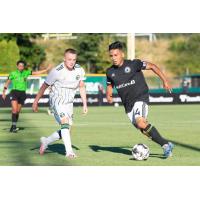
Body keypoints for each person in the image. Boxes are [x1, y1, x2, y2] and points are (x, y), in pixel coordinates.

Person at [106, 41, 174, 158]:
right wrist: (109, 95)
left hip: (140, 98)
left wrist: (165, 80)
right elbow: (110, 84)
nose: (114, 58)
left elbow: (152, 66)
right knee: (143, 129)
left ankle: (165, 146)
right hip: (128, 106)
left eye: (116, 55)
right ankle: (167, 144)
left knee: (141, 122)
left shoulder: (134, 64)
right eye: (111, 56)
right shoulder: (110, 72)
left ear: (122, 54)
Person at [32, 48, 88, 159]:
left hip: (69, 102)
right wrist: (35, 101)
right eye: (69, 59)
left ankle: (46, 141)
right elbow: (44, 86)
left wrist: (85, 104)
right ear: (64, 59)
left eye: (74, 60)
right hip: (57, 100)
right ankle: (69, 152)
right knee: (65, 122)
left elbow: (81, 86)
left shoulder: (79, 70)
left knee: (67, 129)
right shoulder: (57, 71)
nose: (72, 62)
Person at [2, 60, 49, 133]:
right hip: (14, 92)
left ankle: (13, 126)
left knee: (17, 111)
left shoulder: (26, 72)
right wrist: (4, 92)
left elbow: (35, 73)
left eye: (22, 66)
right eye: (19, 66)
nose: (21, 67)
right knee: (14, 110)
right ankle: (14, 127)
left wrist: (45, 70)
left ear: (24, 67)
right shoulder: (13, 73)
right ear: (17, 66)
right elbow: (8, 82)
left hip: (22, 93)